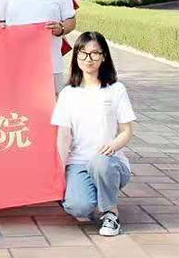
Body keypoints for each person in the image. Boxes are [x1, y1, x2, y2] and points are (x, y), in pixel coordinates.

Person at [52, 31, 135, 236]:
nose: (88, 59)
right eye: (83, 53)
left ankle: (111, 213)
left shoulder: (115, 89)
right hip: (79, 163)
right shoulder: (68, 93)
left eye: (95, 53)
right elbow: (63, 136)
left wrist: (113, 146)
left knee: (100, 162)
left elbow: (126, 131)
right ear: (76, 56)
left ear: (104, 56)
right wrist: (59, 171)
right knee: (78, 207)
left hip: (110, 162)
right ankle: (92, 194)